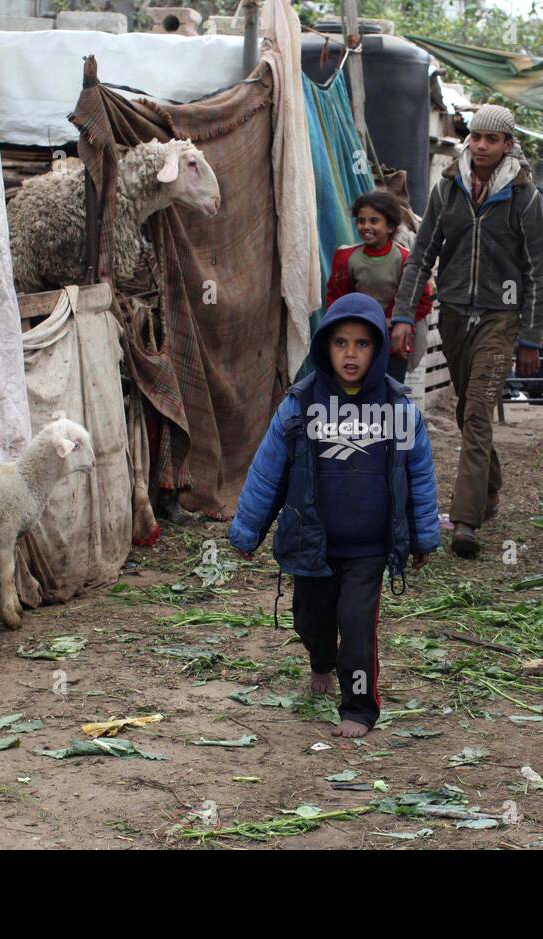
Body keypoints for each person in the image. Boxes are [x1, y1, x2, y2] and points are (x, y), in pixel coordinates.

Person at [228, 293, 440, 738]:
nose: (350, 353)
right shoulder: (301, 406)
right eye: (340, 342)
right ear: (325, 345)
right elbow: (269, 471)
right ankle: (320, 660)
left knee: (358, 630)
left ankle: (359, 708)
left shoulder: (398, 410)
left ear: (378, 348)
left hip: (368, 548)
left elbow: (419, 478)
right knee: (310, 619)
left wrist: (423, 537)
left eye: (362, 344)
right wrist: (248, 532)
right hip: (312, 542)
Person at [393, 103, 543, 559]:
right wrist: (404, 314)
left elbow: (539, 271)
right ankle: (490, 488)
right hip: (456, 315)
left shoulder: (524, 196)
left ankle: (465, 521)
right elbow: (422, 254)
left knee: (479, 411)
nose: (481, 146)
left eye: (491, 140)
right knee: (468, 413)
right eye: (476, 138)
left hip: (501, 318)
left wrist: (531, 335)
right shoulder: (448, 189)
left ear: (507, 145)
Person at [325, 190, 435, 382]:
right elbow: (337, 297)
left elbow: (423, 299)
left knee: (387, 397)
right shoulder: (346, 258)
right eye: (361, 221)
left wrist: (393, 320)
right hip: (355, 341)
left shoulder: (405, 260)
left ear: (391, 226)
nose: (366, 227)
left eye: (374, 221)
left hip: (393, 343)